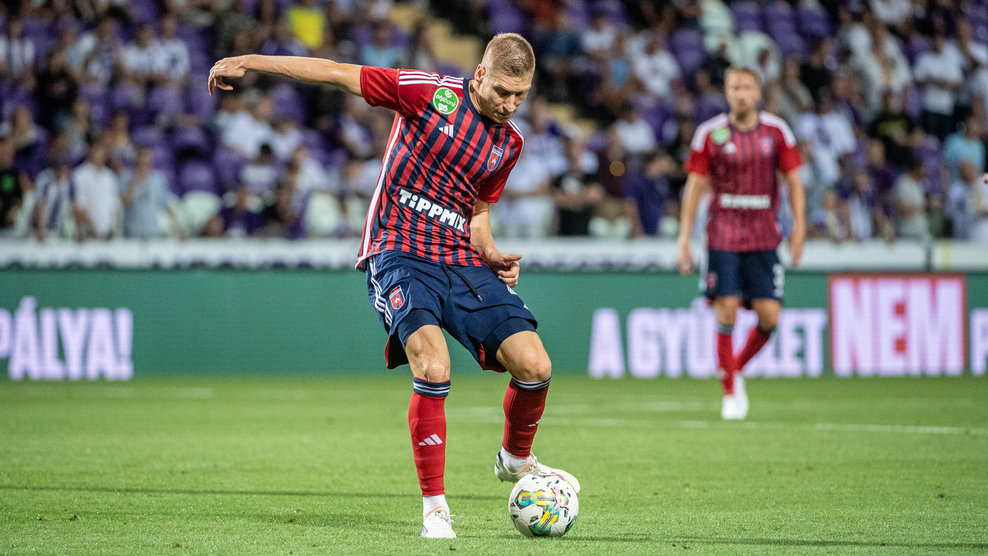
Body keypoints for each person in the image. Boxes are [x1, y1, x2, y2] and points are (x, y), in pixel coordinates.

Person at [207, 32, 579, 539]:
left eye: (520, 95)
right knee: (433, 365)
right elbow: (336, 72)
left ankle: (515, 459)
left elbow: (477, 209)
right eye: (502, 92)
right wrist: (250, 61)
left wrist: (490, 253)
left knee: (536, 366)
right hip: (398, 250)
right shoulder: (429, 94)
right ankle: (435, 509)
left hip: (460, 258)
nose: (510, 104)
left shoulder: (508, 143)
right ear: (479, 75)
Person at [677, 67, 805, 421]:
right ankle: (730, 392)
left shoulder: (777, 131)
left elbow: (794, 181)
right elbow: (694, 187)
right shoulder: (709, 133)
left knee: (769, 316)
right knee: (727, 308)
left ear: (758, 93)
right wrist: (684, 239)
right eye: (735, 87)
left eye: (747, 87)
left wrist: (799, 227)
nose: (741, 93)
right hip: (723, 233)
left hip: (764, 234)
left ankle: (734, 369)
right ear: (727, 92)